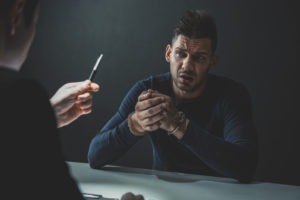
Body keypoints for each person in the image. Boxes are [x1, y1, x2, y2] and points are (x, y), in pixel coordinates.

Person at [88, 9, 258, 183]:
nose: (187, 65)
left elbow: (245, 166)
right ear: (169, 53)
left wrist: (179, 125)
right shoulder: (148, 90)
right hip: (164, 194)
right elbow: (94, 155)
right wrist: (134, 125)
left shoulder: (231, 94)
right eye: (180, 54)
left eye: (199, 58)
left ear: (212, 61)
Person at [0, 0, 143, 199]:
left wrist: (46, 116)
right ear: (17, 14)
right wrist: (37, 114)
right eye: (35, 22)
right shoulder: (20, 94)